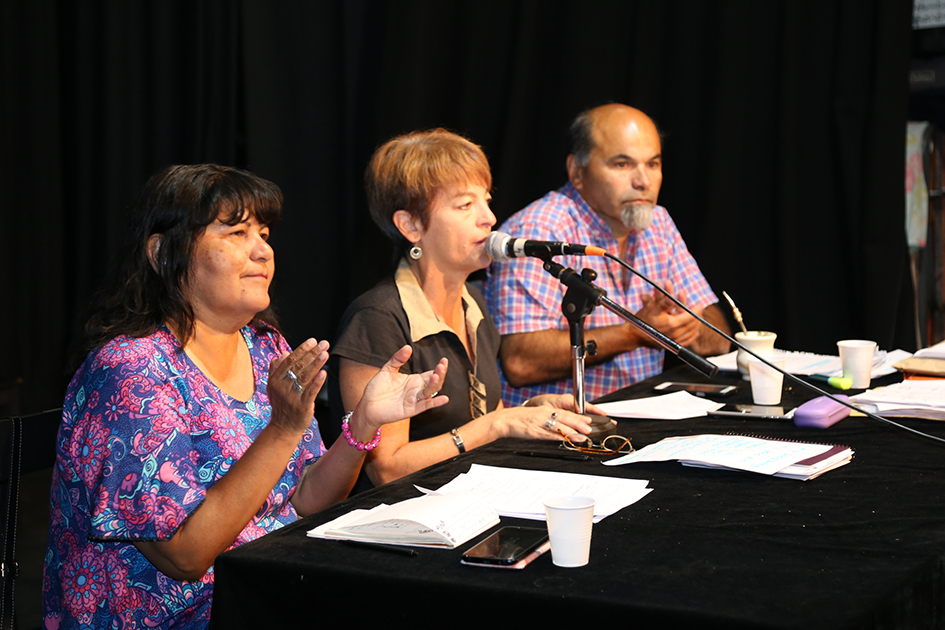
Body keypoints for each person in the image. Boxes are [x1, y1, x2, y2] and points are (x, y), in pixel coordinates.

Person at [42, 164, 449, 629]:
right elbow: (186, 556)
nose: (262, 250)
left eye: (264, 233)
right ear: (163, 252)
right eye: (236, 232)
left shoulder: (264, 347)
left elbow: (305, 499)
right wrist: (283, 427)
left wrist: (363, 424)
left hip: (266, 587)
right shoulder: (130, 371)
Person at [328, 129, 596, 492]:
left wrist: (530, 412)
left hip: (470, 500)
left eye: (486, 200)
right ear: (411, 226)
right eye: (465, 205)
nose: (489, 218)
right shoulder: (378, 318)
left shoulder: (474, 302)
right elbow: (386, 470)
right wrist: (498, 425)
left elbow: (485, 419)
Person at [485, 104, 731, 406]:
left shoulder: (658, 222)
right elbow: (521, 362)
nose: (643, 181)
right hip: (557, 424)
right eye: (622, 164)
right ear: (577, 172)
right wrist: (634, 332)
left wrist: (686, 324)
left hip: (640, 416)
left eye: (653, 164)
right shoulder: (539, 231)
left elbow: (719, 338)